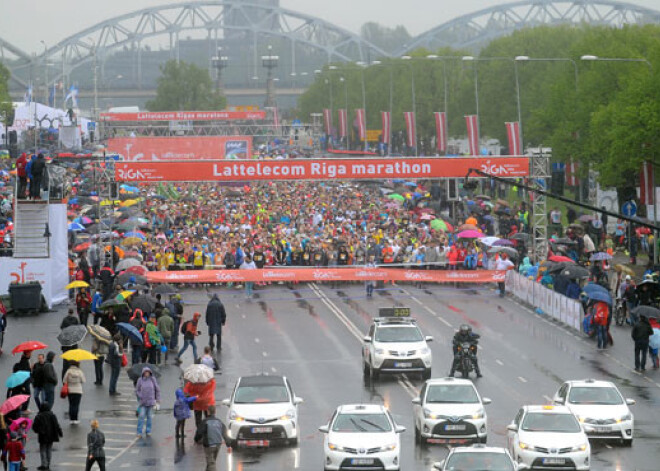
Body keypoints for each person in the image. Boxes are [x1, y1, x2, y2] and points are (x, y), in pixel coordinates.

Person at [32, 402, 63, 471]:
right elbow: (56, 425)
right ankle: (48, 463)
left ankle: (44, 464)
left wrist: (38, 431)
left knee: (42, 450)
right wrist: (60, 433)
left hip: (43, 436)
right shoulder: (52, 415)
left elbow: (34, 427)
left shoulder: (39, 416)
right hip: (51, 435)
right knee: (49, 449)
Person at [135, 366, 160, 437]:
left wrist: (158, 399)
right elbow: (137, 390)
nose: (147, 373)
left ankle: (148, 431)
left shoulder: (153, 379)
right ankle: (139, 432)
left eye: (148, 372)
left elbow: (157, 389)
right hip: (143, 403)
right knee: (141, 416)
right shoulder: (140, 380)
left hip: (151, 402)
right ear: (143, 373)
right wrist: (140, 396)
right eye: (145, 372)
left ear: (150, 373)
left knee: (149, 417)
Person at [199, 405, 225, 471]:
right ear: (215, 412)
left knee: (211, 463)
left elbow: (199, 432)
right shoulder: (219, 421)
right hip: (218, 444)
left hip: (209, 445)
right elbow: (224, 432)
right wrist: (229, 443)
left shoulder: (205, 421)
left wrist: (197, 439)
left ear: (208, 412)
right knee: (211, 461)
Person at [62, 360, 85, 424]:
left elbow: (64, 380)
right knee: (76, 405)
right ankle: (76, 419)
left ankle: (71, 419)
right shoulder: (79, 371)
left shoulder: (68, 371)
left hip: (70, 390)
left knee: (71, 404)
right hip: (78, 390)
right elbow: (83, 380)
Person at [60, 309, 80, 380]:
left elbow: (61, 327)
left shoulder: (65, 320)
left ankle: (63, 379)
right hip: (74, 345)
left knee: (65, 365)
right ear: (73, 313)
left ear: (68, 312)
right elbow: (78, 328)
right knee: (74, 363)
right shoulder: (75, 319)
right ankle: (73, 378)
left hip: (66, 346)